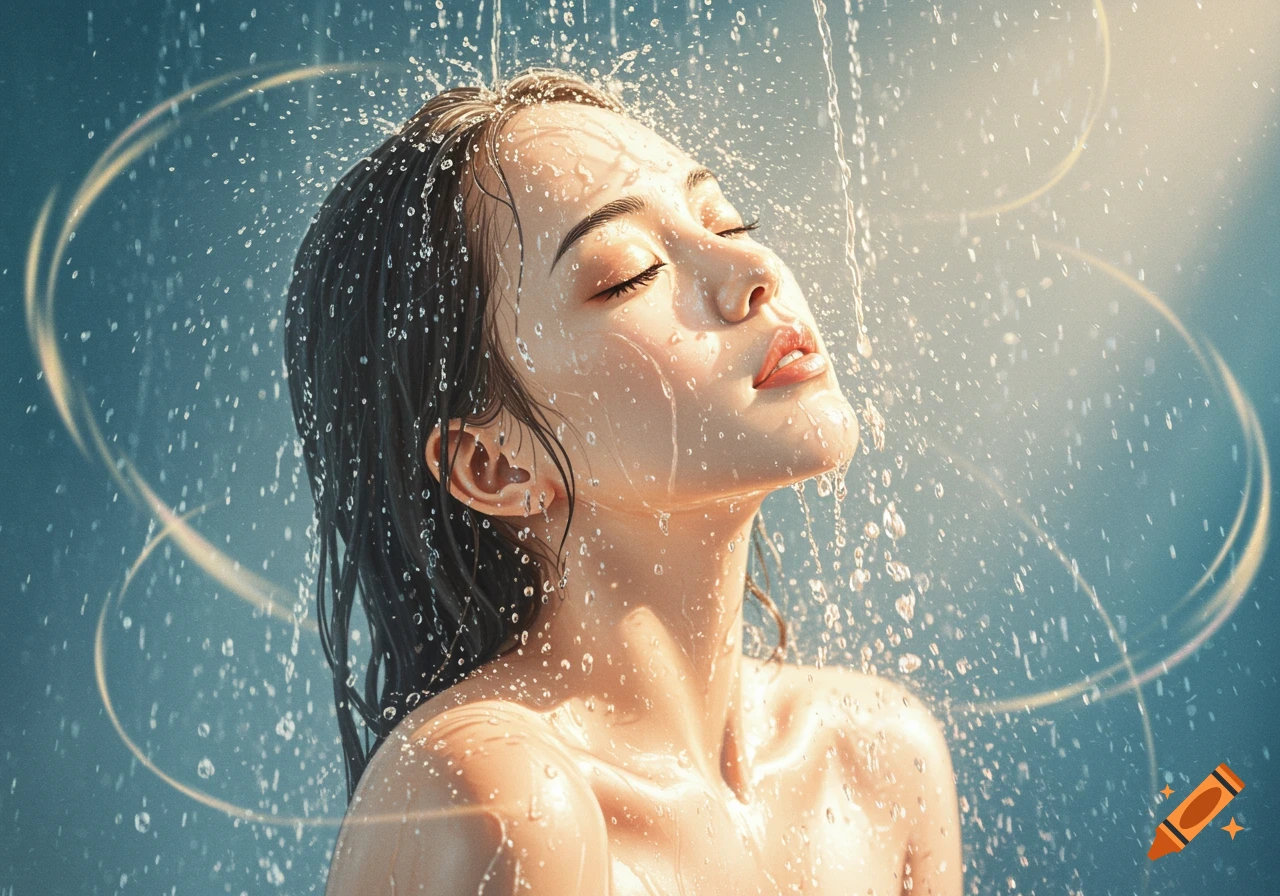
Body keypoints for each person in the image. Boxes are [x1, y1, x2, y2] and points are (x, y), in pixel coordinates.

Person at [285, 67, 962, 895]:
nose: (750, 266)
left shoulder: (882, 757)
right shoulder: (507, 800)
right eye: (628, 272)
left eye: (725, 219)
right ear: (494, 465)